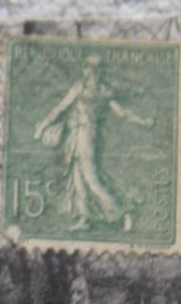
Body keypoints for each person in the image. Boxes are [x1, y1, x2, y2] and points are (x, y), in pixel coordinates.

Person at [34, 54, 155, 231]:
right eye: (86, 67)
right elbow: (61, 108)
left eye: (90, 68)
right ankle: (85, 219)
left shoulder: (99, 91)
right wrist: (43, 126)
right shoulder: (85, 88)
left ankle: (125, 212)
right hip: (77, 134)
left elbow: (122, 113)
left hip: (87, 135)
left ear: (95, 71)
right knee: (78, 178)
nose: (87, 71)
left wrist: (142, 122)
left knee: (91, 178)